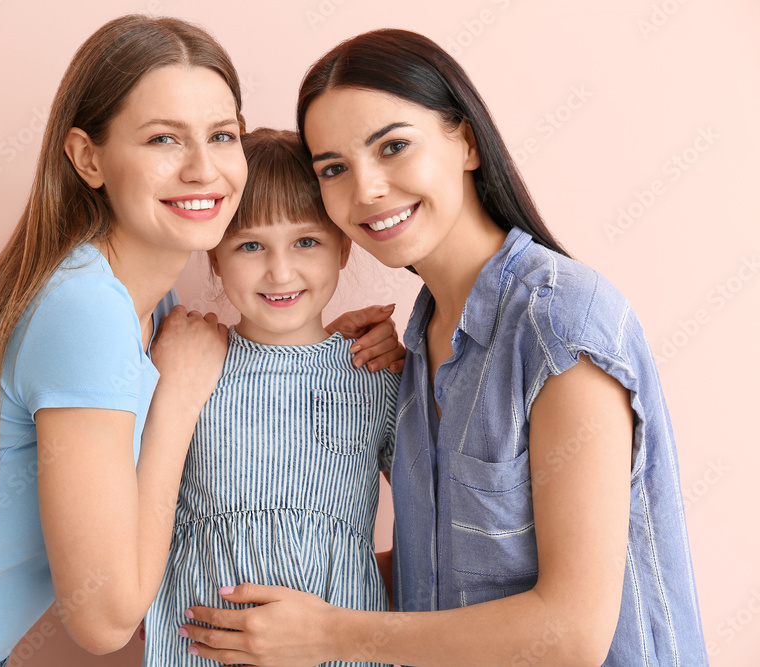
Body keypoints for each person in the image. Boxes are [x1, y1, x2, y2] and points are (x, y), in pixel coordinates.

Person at [0, 16, 402, 667]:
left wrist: (305, 347)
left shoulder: (146, 304)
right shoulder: (85, 308)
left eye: (221, 135)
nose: (204, 168)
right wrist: (177, 400)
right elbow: (104, 619)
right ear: (87, 157)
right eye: (163, 139)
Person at [179, 29, 708, 666]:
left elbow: (570, 632)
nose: (367, 188)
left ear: (465, 140)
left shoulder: (559, 320)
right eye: (335, 169)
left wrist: (329, 633)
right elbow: (445, 577)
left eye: (394, 146)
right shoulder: (411, 347)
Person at [141, 128, 399, 667]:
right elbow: (132, 516)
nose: (280, 272)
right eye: (251, 245)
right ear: (213, 256)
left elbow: (441, 526)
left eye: (306, 241)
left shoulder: (376, 373)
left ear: (344, 247)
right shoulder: (187, 362)